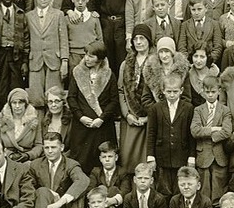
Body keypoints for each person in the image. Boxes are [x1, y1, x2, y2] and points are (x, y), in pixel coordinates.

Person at [67, 41, 119, 174]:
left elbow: (113, 101)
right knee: (81, 162)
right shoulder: (77, 73)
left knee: (101, 163)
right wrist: (81, 117)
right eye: (86, 55)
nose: (87, 58)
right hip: (82, 128)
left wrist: (102, 118)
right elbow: (71, 98)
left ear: (100, 58)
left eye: (91, 56)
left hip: (102, 127)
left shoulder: (109, 75)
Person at [147, 74, 196, 197]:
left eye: (175, 91)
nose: (172, 94)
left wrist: (191, 157)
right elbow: (151, 133)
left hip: (181, 156)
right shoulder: (155, 108)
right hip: (162, 156)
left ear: (181, 91)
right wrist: (150, 156)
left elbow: (191, 135)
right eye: (169, 91)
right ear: (163, 91)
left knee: (180, 190)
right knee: (163, 190)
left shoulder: (188, 108)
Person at [190, 76, 232, 206]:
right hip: (203, 156)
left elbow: (226, 131)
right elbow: (195, 131)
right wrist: (213, 129)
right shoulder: (198, 110)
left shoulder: (225, 110)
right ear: (203, 91)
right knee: (203, 191)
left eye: (213, 92)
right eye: (207, 92)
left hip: (220, 156)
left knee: (219, 191)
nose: (210, 95)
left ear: (219, 91)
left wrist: (211, 136)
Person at [117, 24, 152, 174]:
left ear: (149, 41)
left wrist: (148, 118)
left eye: (142, 38)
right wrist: (127, 115)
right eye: (135, 39)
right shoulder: (126, 64)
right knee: (128, 158)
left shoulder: (154, 62)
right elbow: (121, 90)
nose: (138, 42)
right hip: (130, 117)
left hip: (148, 119)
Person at [0, 88, 42, 163]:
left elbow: (39, 145)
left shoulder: (34, 120)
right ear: (10, 104)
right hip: (6, 158)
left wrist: (28, 155)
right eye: (14, 103)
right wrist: (8, 154)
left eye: (20, 103)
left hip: (28, 160)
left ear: (25, 104)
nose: (17, 106)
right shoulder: (2, 119)